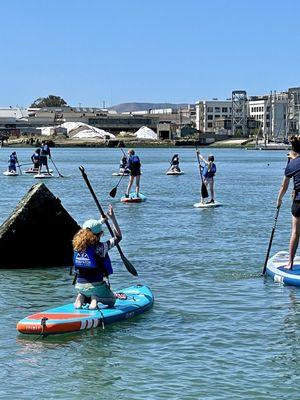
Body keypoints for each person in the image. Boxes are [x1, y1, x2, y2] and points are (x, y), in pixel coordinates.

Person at [72, 205, 122, 310]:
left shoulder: (76, 246)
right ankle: (96, 299)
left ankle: (81, 298)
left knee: (85, 292)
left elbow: (89, 229)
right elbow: (118, 237)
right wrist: (113, 218)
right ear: (100, 234)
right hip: (96, 285)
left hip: (79, 285)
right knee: (112, 300)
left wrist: (101, 221)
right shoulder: (101, 247)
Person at [277, 136, 300, 270]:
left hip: (298, 201)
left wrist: (279, 200)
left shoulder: (291, 164)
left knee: (296, 233)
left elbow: (283, 186)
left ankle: (290, 263)